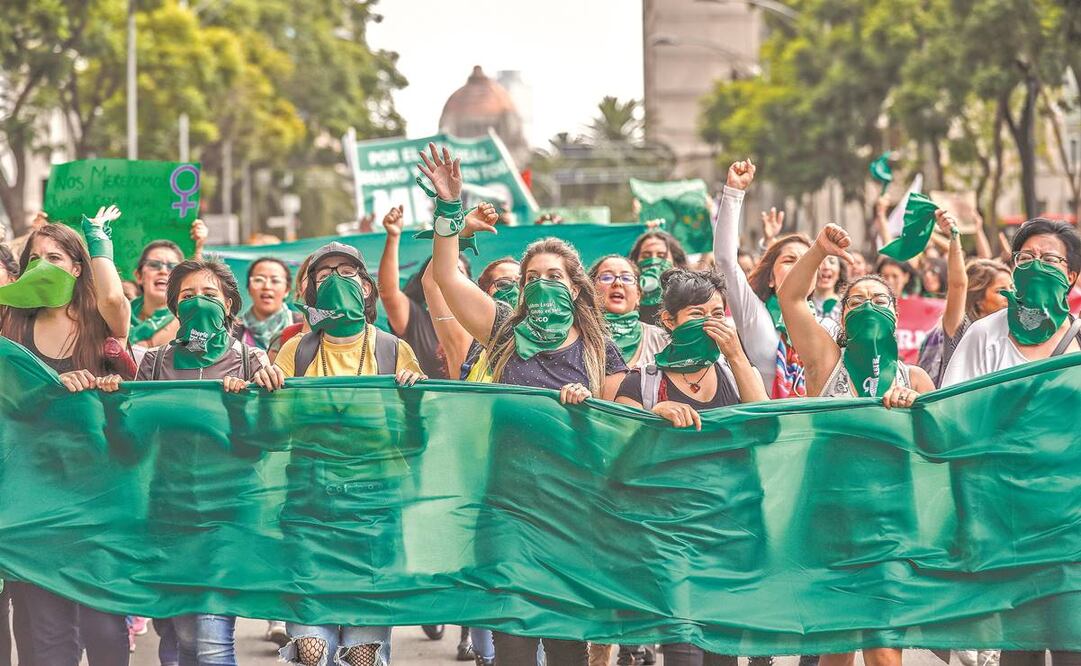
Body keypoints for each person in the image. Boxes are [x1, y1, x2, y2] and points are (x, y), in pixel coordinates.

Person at [423, 142, 626, 666]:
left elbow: (619, 427)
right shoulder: (501, 331)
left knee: (564, 642)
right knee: (512, 639)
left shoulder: (602, 348)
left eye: (554, 278)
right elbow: (447, 278)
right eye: (532, 279)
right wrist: (451, 213)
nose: (541, 286)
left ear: (577, 287)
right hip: (508, 500)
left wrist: (586, 411)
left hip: (574, 506)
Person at [253, 241, 425, 666]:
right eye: (324, 273)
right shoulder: (296, 349)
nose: (335, 278)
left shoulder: (394, 351)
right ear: (311, 291)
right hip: (310, 512)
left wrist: (414, 403)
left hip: (374, 515)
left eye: (347, 272)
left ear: (367, 288)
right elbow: (273, 437)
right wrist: (268, 393)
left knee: (362, 656)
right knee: (313, 653)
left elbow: (415, 445)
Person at [778, 223, 936, 666]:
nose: (869, 306)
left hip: (893, 523)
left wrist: (916, 407)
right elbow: (791, 299)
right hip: (833, 519)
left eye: (879, 300)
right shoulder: (825, 361)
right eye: (858, 300)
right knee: (837, 649)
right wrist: (818, 250)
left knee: (884, 650)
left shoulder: (916, 378)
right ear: (842, 316)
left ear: (896, 313)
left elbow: (936, 449)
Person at [941, 218, 1081, 666]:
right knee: (1018, 645)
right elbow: (951, 415)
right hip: (1004, 518)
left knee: (1071, 641)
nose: (1037, 265)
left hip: (1071, 519)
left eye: (1051, 259)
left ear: (1072, 276)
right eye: (1027, 258)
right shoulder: (984, 335)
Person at [0, 209, 131, 666]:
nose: (42, 266)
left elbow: (113, 296)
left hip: (97, 494)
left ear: (78, 267)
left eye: (55, 257)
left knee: (103, 624)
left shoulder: (101, 322)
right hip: (32, 496)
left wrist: (99, 241)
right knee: (49, 630)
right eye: (33, 258)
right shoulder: (10, 324)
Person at [129, 259, 275, 666]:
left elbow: (268, 440)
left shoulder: (253, 360)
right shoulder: (154, 363)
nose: (199, 303)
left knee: (209, 640)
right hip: (167, 517)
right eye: (188, 296)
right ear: (174, 307)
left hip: (225, 517)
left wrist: (248, 400)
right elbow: (135, 436)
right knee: (178, 635)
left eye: (210, 295)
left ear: (229, 305)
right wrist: (110, 394)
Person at [712, 159, 839, 398]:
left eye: (806, 262)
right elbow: (726, 262)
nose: (798, 268)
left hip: (816, 428)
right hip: (767, 430)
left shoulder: (828, 327)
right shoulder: (756, 315)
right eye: (789, 260)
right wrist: (734, 192)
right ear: (770, 278)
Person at [917, 211, 1012, 386]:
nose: (1010, 295)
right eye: (1001, 291)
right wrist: (954, 237)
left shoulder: (1014, 333)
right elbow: (958, 285)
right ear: (978, 300)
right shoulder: (961, 330)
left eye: (1012, 288)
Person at [129, 221, 208, 355]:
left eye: (172, 267)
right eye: (154, 265)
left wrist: (199, 247)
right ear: (139, 276)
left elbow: (198, 363)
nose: (163, 271)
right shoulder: (118, 316)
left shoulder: (189, 321)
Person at [589, 255, 669, 368]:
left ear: (638, 296)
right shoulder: (576, 338)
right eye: (606, 277)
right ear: (591, 290)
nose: (617, 283)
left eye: (626, 278)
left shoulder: (663, 340)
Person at [234, 257, 303, 352]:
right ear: (249, 288)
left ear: (287, 290)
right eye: (259, 280)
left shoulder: (303, 326)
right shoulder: (232, 329)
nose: (267, 286)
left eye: (275, 281)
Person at [628, 230, 689, 325]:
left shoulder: (689, 299)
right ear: (634, 262)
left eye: (661, 256)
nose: (653, 261)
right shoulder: (625, 300)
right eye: (646, 256)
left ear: (675, 262)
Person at [812, 254, 845, 321]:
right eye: (820, 261)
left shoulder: (847, 306)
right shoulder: (801, 303)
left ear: (840, 271)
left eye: (832, 262)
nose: (826, 266)